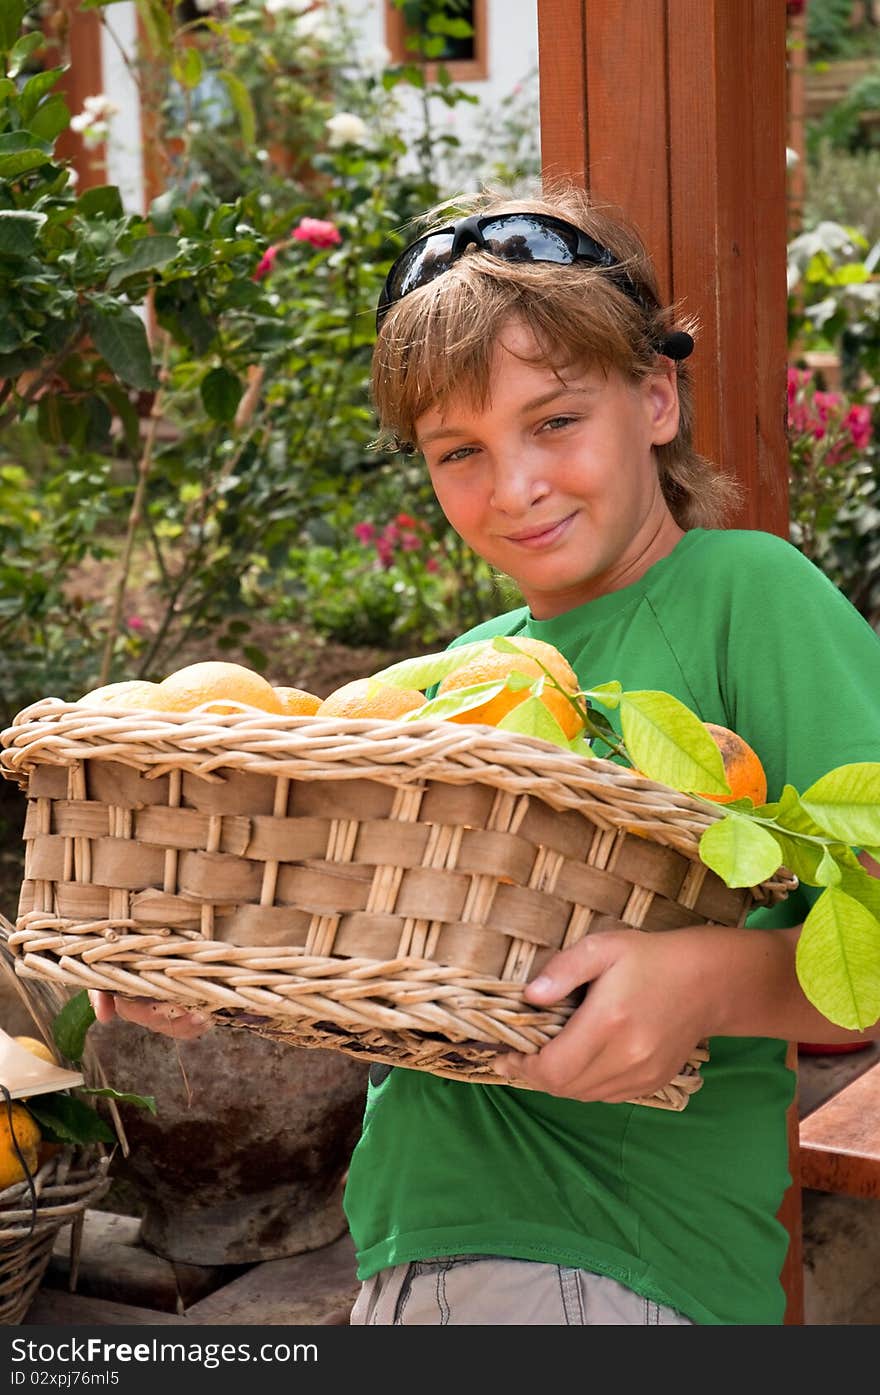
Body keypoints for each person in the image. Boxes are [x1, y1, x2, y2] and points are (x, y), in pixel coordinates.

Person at [91, 182, 880, 1326]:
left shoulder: (741, 594)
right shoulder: (464, 675)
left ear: (654, 396)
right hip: (414, 1253)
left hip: (613, 1256)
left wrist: (704, 980)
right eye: (457, 449)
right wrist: (203, 969)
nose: (514, 488)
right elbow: (378, 948)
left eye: (554, 422)